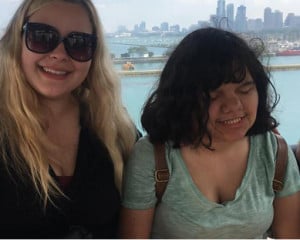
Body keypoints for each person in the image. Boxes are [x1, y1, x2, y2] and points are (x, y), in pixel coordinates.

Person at [119, 27, 300, 238]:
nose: (233, 105)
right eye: (213, 95)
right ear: (183, 99)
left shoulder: (275, 152)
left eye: (244, 89)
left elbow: (290, 234)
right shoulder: (153, 157)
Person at [0, 0, 137, 238]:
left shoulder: (114, 127)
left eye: (79, 44)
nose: (59, 55)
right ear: (17, 41)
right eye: (42, 37)